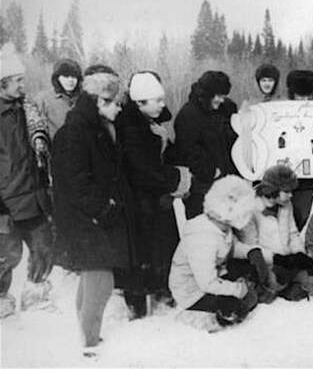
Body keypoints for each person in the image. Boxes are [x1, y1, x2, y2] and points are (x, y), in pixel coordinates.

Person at [52, 68, 135, 357]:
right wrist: (102, 209)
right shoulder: (77, 132)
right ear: (100, 100)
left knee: (92, 277)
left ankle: (86, 336)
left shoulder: (95, 127)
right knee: (100, 280)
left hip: (92, 215)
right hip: (87, 218)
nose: (119, 107)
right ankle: (90, 345)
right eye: (114, 102)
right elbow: (76, 182)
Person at [115, 71, 192, 318]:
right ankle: (136, 303)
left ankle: (161, 291)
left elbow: (163, 157)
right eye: (156, 100)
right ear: (140, 102)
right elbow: (141, 171)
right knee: (141, 252)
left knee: (163, 245)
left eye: (162, 99)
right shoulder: (130, 128)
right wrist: (176, 178)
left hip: (157, 200)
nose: (162, 104)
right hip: (138, 202)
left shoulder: (153, 124)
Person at [0, 44, 54, 318]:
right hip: (5, 202)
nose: (23, 84)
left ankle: (36, 297)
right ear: (3, 83)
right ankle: (1, 302)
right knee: (6, 257)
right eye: (18, 80)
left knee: (44, 248)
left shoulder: (28, 110)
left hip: (33, 195)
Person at [169, 175, 261, 332]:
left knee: (250, 287)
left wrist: (250, 252)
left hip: (213, 277)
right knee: (239, 307)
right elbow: (207, 282)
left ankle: (223, 308)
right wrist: (238, 289)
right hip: (192, 292)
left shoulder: (222, 226)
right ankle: (195, 317)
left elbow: (230, 247)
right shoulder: (202, 237)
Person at [238, 165, 313, 301]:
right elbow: (250, 247)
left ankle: (287, 285)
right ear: (273, 190)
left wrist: (298, 253)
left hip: (286, 260)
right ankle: (274, 287)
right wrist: (277, 259)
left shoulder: (286, 204)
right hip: (266, 263)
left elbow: (293, 233)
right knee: (276, 281)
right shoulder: (249, 207)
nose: (291, 195)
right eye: (287, 191)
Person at [174, 71, 239, 219]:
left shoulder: (224, 110)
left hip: (225, 185)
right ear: (206, 94)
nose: (221, 100)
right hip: (201, 188)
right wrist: (210, 171)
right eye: (218, 96)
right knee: (203, 230)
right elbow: (187, 153)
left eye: (223, 96)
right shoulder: (188, 116)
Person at [286, 70, 313, 230]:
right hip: (298, 173)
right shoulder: (285, 112)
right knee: (298, 214)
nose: (304, 100)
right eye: (300, 96)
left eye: (308, 96)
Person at [34, 58, 83, 140]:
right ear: (57, 78)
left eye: (74, 76)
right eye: (66, 76)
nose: (70, 80)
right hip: (55, 149)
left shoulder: (85, 98)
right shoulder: (43, 99)